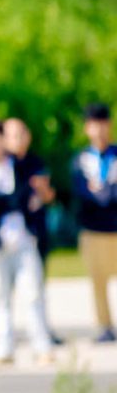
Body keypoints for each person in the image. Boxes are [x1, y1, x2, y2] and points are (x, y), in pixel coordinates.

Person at [0, 121, 52, 366]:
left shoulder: (21, 165)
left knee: (33, 292)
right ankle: (4, 347)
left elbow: (31, 195)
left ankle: (41, 345)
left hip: (23, 239)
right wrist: (13, 200)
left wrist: (9, 200)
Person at [3, 117, 61, 345]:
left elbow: (48, 198)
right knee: (3, 286)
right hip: (9, 235)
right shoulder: (3, 165)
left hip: (34, 231)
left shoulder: (35, 163)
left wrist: (43, 189)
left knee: (36, 284)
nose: (17, 140)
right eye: (12, 135)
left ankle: (41, 330)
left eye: (21, 134)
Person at [73, 103, 117, 343]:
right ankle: (105, 325)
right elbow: (81, 191)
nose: (98, 130)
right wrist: (104, 192)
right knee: (97, 280)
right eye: (93, 125)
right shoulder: (81, 160)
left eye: (102, 124)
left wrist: (103, 191)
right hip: (92, 227)